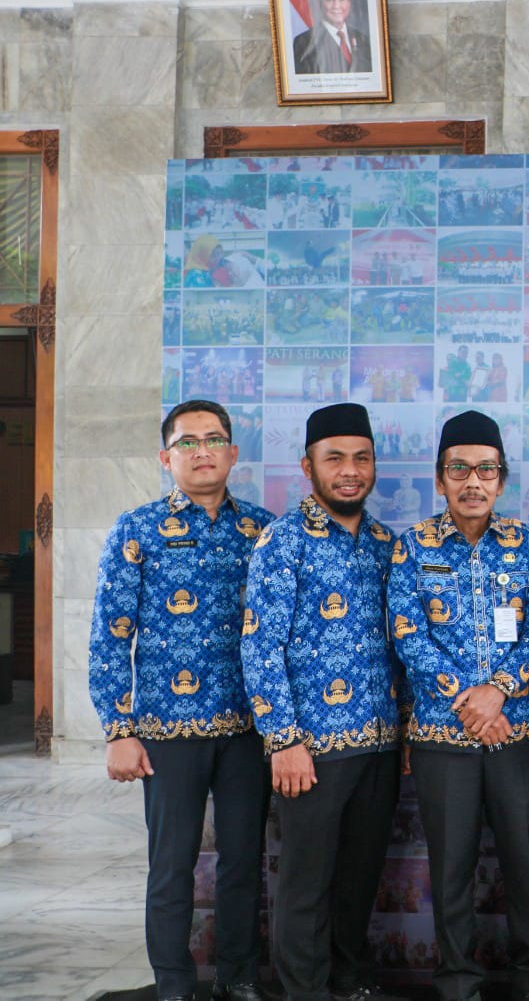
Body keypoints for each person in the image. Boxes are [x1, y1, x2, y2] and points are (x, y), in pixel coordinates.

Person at [89, 400, 274, 1001]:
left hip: (248, 730)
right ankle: (173, 985)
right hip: (167, 732)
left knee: (243, 861)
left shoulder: (264, 531)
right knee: (172, 866)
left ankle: (239, 977)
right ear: (165, 457)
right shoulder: (137, 530)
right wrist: (118, 729)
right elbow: (110, 636)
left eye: (214, 439)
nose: (202, 451)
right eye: (187, 442)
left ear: (233, 453)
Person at [386, 411, 529, 1001]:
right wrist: (469, 703)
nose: (473, 482)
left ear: (501, 480)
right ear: (440, 479)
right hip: (443, 737)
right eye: (459, 469)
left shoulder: (523, 544)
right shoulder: (414, 546)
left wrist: (499, 690)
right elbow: (407, 633)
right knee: (451, 868)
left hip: (517, 733)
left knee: (525, 865)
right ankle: (458, 983)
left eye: (486, 470)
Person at [241, 403, 401, 1001]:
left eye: (361, 458)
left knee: (359, 879)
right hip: (311, 750)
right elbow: (260, 646)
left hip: (380, 745)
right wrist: (283, 740)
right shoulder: (283, 541)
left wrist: (407, 731)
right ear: (308, 467)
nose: (350, 470)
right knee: (306, 883)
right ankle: (305, 990)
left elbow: (403, 648)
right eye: (335, 459)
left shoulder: (386, 545)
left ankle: (351, 981)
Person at [292, 0, 373, 75]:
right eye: (330, 0)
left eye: (342, 0)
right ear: (320, 4)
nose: (336, 6)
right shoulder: (304, 42)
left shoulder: (362, 38)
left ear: (349, 3)